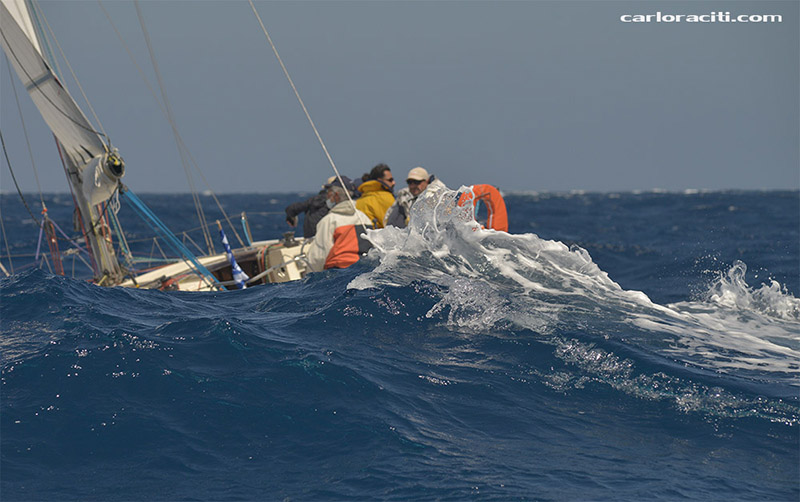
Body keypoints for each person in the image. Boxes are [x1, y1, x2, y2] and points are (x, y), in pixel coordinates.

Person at [305, 184, 372, 272]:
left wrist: (309, 276)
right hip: (364, 269)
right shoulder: (364, 217)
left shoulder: (329, 220)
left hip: (339, 272)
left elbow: (319, 256)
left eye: (328, 195)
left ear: (336, 196)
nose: (327, 199)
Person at [285, 176, 354, 238]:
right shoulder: (334, 211)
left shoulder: (314, 200)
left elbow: (294, 208)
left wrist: (291, 216)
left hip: (311, 236)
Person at [355, 163, 395, 229]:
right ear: (380, 180)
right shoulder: (387, 198)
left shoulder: (358, 202)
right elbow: (395, 226)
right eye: (390, 180)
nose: (394, 182)